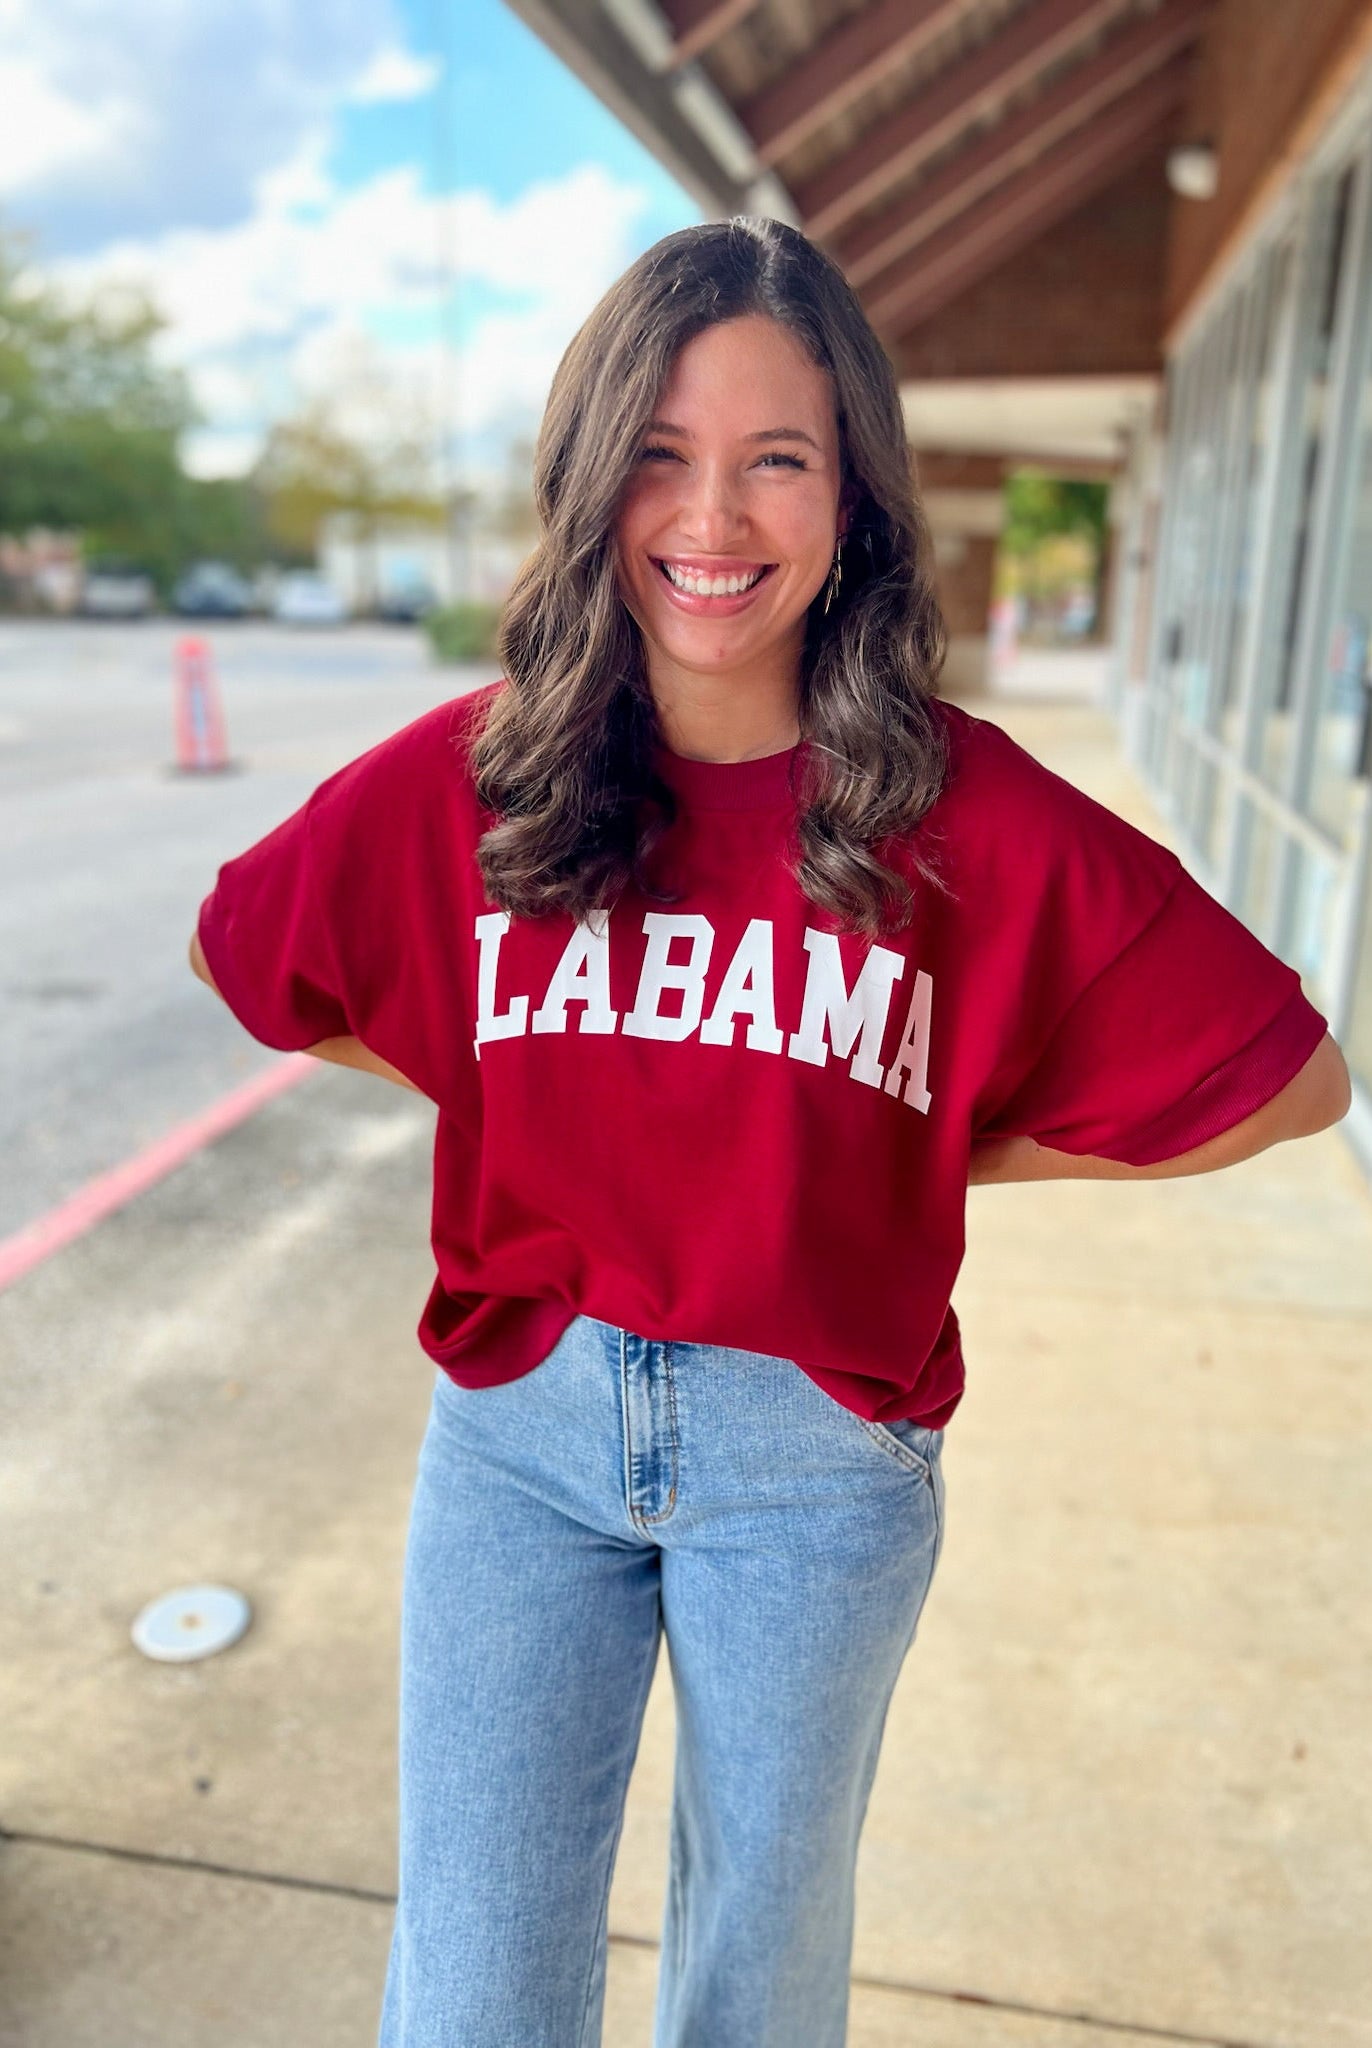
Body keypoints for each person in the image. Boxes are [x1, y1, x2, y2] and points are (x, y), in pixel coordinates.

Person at [190, 217, 1350, 2048]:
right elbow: (256, 953)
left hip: (814, 1463)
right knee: (477, 1988)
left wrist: (923, 1143)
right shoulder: (485, 774)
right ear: (591, 482)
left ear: (855, 496)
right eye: (658, 455)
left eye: (774, 462)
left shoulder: (970, 810)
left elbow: (1291, 1082)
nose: (712, 520)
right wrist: (515, 1081)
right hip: (522, 1427)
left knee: (755, 1978)